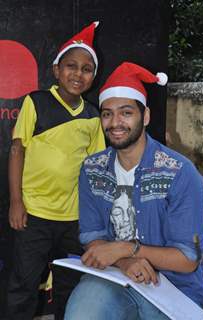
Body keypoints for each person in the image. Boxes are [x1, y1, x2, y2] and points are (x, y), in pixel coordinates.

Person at [64, 62, 203, 320]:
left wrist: (126, 249)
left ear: (146, 116)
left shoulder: (180, 174)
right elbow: (92, 236)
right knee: (81, 315)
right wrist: (124, 261)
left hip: (173, 287)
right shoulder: (92, 169)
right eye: (107, 114)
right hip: (114, 275)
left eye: (126, 113)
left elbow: (187, 259)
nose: (115, 123)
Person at [6, 21, 105, 320]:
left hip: (73, 218)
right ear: (56, 70)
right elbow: (17, 151)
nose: (78, 74)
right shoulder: (36, 102)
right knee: (23, 282)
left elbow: (96, 167)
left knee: (69, 285)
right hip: (34, 212)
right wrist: (16, 201)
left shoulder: (92, 116)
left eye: (87, 69)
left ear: (93, 76)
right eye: (71, 66)